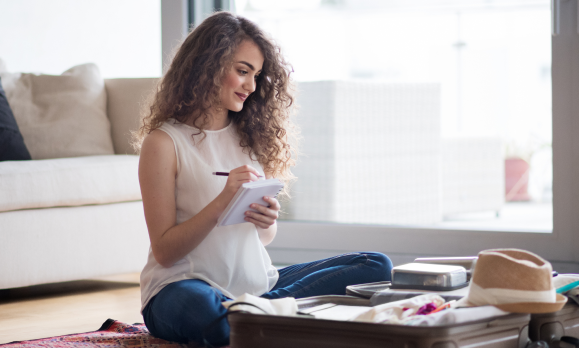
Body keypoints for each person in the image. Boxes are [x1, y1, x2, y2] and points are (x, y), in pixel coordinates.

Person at [134, 11, 393, 346]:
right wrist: (222, 201)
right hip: (181, 286)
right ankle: (275, 314)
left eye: (256, 75)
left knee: (376, 266)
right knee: (210, 317)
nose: (251, 86)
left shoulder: (248, 137)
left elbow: (264, 238)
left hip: (257, 285)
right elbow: (165, 252)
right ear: (207, 65)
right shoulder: (164, 143)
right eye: (243, 71)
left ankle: (253, 313)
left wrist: (266, 221)